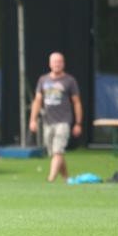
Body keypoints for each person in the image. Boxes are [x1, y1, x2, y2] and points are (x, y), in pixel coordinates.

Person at [29, 52, 82, 182]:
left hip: (63, 121)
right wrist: (33, 120)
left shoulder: (69, 80)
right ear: (50, 63)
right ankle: (66, 178)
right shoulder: (43, 80)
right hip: (48, 121)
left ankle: (50, 178)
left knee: (58, 150)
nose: (57, 64)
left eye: (59, 62)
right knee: (54, 152)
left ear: (63, 63)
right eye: (54, 61)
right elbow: (37, 101)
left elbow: (76, 102)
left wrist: (78, 123)